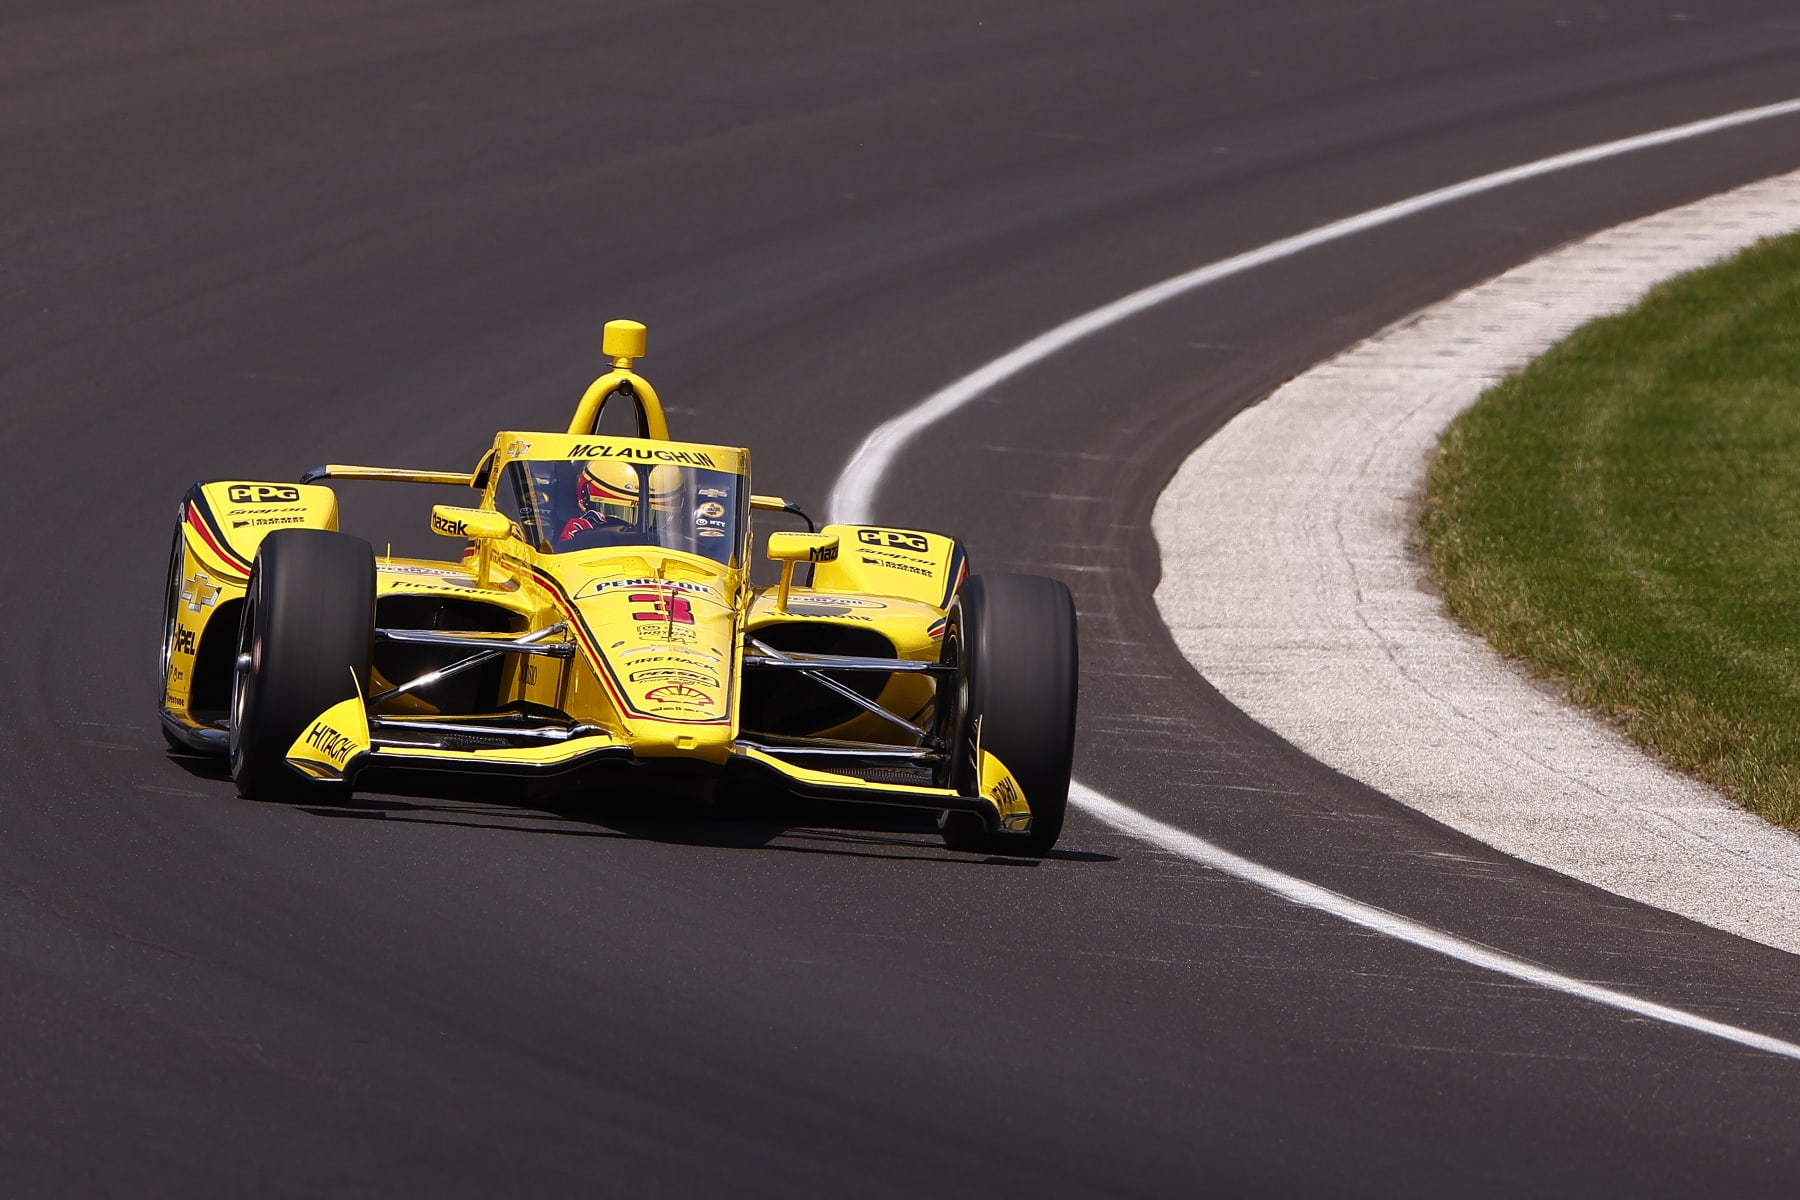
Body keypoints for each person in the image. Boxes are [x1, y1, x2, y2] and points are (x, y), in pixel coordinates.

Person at [558, 460, 680, 544]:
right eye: (619, 511)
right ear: (585, 498)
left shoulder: (678, 540)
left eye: (652, 514)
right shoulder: (579, 529)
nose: (633, 527)